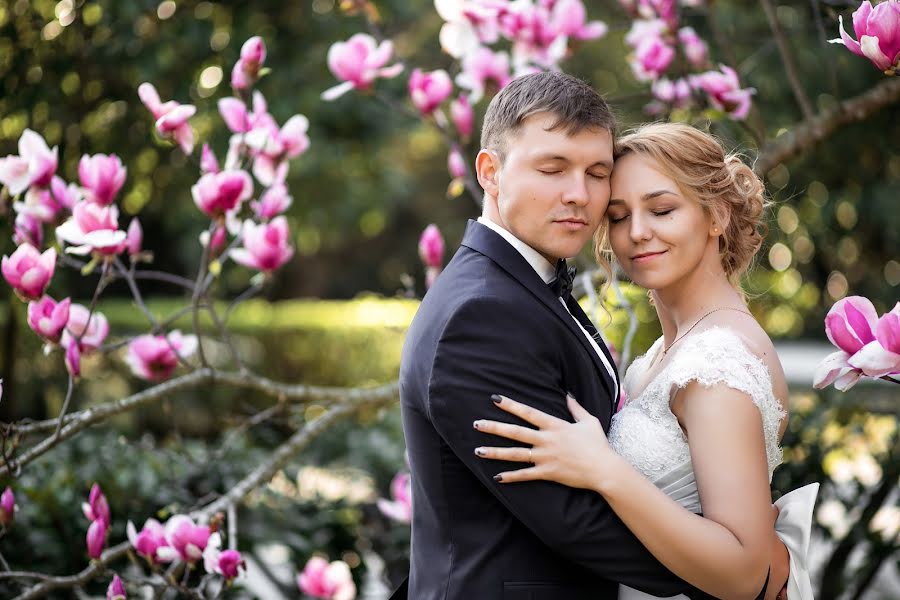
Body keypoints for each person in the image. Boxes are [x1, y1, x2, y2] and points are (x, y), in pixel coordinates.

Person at [394, 72, 784, 599]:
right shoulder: (481, 313)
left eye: (596, 173)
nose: (579, 195)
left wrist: (746, 558)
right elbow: (573, 518)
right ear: (490, 171)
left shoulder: (528, 290)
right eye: (553, 169)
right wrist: (754, 568)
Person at [473, 123, 818, 599]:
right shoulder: (670, 349)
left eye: (662, 209)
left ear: (716, 215)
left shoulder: (718, 364)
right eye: (617, 216)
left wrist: (604, 470)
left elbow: (743, 575)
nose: (637, 232)